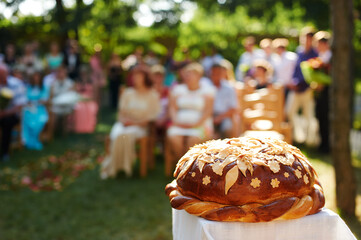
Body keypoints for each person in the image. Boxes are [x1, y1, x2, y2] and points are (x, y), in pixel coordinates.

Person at [101, 66, 160, 179]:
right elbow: (121, 112)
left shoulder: (152, 95)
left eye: (138, 76)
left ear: (145, 78)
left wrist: (134, 123)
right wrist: (123, 121)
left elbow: (152, 116)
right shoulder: (127, 92)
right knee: (117, 134)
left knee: (124, 135)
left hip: (141, 126)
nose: (135, 78)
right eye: (134, 76)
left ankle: (119, 167)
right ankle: (114, 167)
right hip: (124, 124)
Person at [167, 62, 215, 161]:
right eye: (186, 74)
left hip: (200, 125)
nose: (188, 77)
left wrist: (196, 124)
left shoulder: (207, 91)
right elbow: (172, 108)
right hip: (179, 124)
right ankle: (183, 164)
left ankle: (189, 166)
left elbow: (208, 111)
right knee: (174, 138)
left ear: (199, 76)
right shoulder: (178, 90)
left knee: (193, 140)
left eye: (191, 74)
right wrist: (176, 121)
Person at [287, 27, 318, 144]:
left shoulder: (315, 54)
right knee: (289, 112)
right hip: (296, 89)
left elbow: (314, 73)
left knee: (308, 115)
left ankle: (310, 141)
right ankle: (298, 137)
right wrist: (293, 82)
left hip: (307, 90)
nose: (306, 41)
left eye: (309, 39)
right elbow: (296, 70)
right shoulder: (299, 51)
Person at [0, 64, 27, 161]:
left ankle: (5, 152)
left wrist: (4, 113)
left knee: (7, 122)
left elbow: (19, 106)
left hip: (12, 115)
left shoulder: (17, 84)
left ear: (7, 74)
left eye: (2, 75)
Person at [314, 31, 332, 153]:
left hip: (328, 92)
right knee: (320, 116)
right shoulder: (321, 57)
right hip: (320, 92)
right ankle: (322, 144)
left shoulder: (331, 57)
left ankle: (327, 146)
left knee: (326, 118)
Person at [22, 70, 49, 150]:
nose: (36, 78)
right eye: (34, 77)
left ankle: (35, 140)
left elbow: (44, 100)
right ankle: (27, 140)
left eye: (37, 77)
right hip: (29, 109)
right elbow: (25, 99)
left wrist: (35, 102)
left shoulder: (44, 88)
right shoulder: (28, 87)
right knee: (26, 117)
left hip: (40, 109)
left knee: (39, 121)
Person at [210, 63, 238, 139]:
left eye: (218, 73)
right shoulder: (206, 87)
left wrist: (219, 118)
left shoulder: (229, 88)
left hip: (224, 116)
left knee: (227, 127)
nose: (215, 76)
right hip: (209, 116)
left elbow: (233, 108)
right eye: (213, 74)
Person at [49, 65, 77, 136]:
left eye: (62, 72)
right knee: (53, 114)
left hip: (66, 106)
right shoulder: (53, 83)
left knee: (67, 114)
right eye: (59, 72)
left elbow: (72, 95)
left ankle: (65, 133)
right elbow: (51, 96)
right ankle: (52, 133)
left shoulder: (70, 83)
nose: (61, 74)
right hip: (56, 106)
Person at [73, 65, 98, 133]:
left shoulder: (92, 82)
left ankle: (89, 127)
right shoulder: (77, 81)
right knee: (80, 107)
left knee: (90, 107)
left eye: (85, 72)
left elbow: (94, 95)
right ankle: (79, 127)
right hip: (79, 100)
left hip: (89, 100)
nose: (83, 74)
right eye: (82, 73)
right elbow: (75, 92)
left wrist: (88, 99)